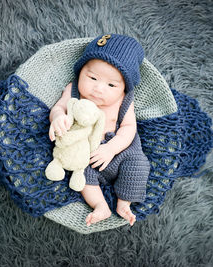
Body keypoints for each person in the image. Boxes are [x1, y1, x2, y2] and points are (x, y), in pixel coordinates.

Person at [48, 34, 150, 226]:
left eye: (111, 85)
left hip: (121, 151)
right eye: (92, 77)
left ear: (124, 87)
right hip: (87, 151)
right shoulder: (73, 90)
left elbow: (129, 128)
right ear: (81, 71)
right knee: (83, 174)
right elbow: (59, 107)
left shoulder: (125, 99)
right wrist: (58, 118)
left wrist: (111, 149)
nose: (98, 89)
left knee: (139, 165)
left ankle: (123, 203)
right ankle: (100, 206)